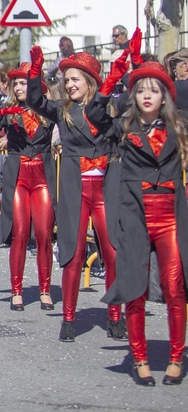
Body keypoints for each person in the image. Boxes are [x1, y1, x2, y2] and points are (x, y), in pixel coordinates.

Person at [87, 59, 188, 386]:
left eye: (154, 90)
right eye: (141, 89)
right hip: (136, 216)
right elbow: (94, 116)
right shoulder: (124, 128)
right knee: (135, 288)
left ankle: (176, 357)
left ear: (164, 97)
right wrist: (111, 80)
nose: (147, 95)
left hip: (171, 217)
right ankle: (140, 358)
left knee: (176, 289)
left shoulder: (177, 128)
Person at [27, 47, 124, 342]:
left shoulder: (110, 110)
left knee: (112, 252)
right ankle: (68, 318)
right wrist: (35, 73)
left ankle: (115, 318)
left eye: (75, 80)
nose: (69, 85)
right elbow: (34, 100)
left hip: (106, 187)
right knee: (73, 253)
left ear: (90, 81)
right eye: (67, 80)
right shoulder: (62, 110)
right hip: (75, 188)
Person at [0, 63, 56, 311]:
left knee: (43, 234)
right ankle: (17, 290)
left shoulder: (47, 110)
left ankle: (45, 290)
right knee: (20, 232)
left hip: (42, 174)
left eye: (25, 83)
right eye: (17, 83)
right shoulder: (7, 110)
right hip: (18, 174)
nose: (20, 87)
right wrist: (1, 114)